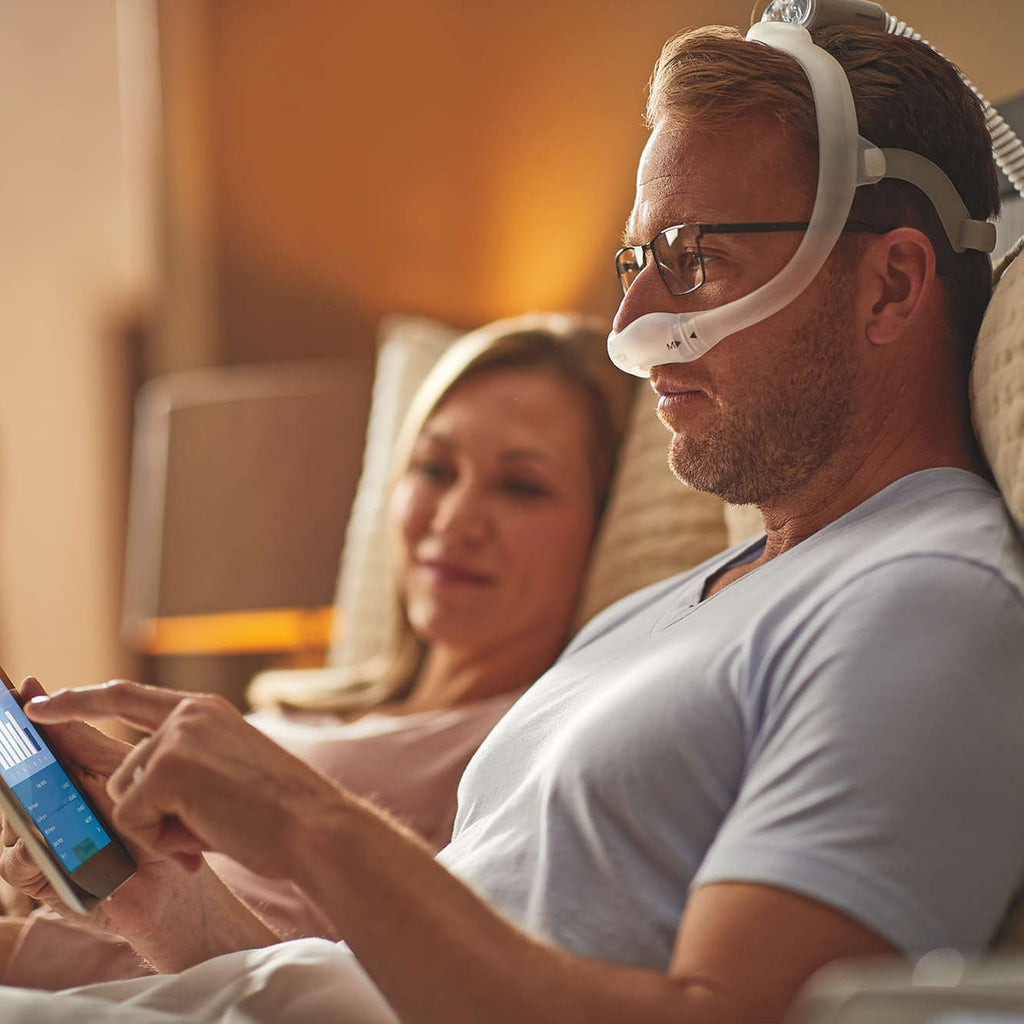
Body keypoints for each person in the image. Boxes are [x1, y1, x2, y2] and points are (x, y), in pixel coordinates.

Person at [1, 17, 1024, 1024]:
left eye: (694, 256)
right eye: (638, 264)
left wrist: (310, 824)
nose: (632, 325)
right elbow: (397, 993)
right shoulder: (658, 613)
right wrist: (161, 904)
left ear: (889, 284)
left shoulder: (928, 604)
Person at [0, 312, 635, 989]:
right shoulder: (303, 701)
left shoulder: (535, 744)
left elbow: (396, 987)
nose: (452, 521)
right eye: (435, 468)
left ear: (603, 528)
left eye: (521, 486)